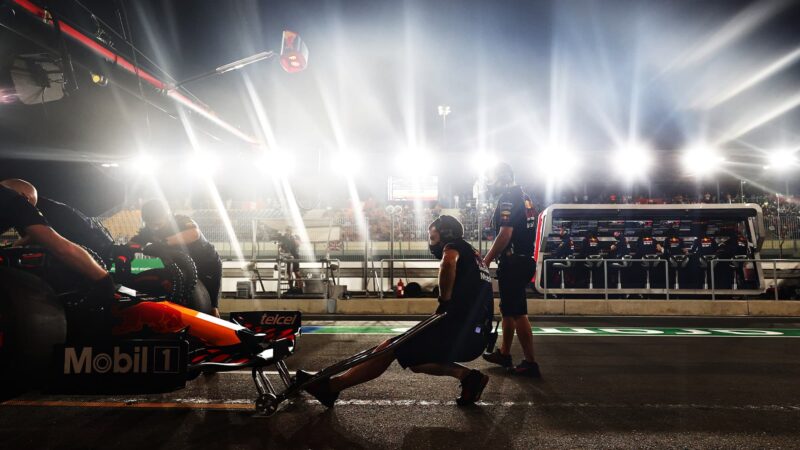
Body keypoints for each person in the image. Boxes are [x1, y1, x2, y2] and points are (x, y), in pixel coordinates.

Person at [296, 215, 494, 407]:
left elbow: (448, 262)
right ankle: (469, 378)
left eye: (433, 238)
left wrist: (444, 299)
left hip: (462, 332)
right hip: (475, 335)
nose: (430, 243)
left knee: (390, 348)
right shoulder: (474, 254)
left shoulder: (454, 248)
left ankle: (331, 387)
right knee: (414, 359)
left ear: (447, 236)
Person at [0, 179, 114, 302]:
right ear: (25, 198)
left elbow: (34, 236)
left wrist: (13, 245)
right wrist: (104, 280)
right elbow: (61, 248)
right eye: (31, 206)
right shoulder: (16, 201)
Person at [480, 162, 540, 377]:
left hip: (514, 262)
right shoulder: (525, 195)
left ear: (503, 178)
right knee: (508, 309)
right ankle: (504, 353)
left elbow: (505, 234)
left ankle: (530, 362)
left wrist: (486, 260)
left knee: (518, 313)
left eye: (491, 178)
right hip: (523, 260)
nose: (488, 183)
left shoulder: (508, 197)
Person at [130, 200, 222, 317]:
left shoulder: (181, 221)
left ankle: (215, 311)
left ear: (167, 217)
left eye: (159, 224)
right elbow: (132, 244)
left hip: (207, 264)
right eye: (152, 224)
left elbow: (194, 234)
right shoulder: (148, 230)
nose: (156, 228)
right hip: (181, 266)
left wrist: (162, 243)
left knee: (212, 309)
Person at [14, 195, 115, 266]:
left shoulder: (37, 208)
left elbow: (59, 246)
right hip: (92, 252)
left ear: (23, 196)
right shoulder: (46, 206)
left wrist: (15, 245)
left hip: (90, 256)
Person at [277, 227, 303, 292]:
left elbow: (299, 244)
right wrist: (283, 253)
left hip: (295, 256)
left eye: (289, 231)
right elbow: (280, 248)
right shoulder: (284, 239)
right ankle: (291, 287)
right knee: (289, 273)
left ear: (291, 231)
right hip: (288, 257)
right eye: (287, 231)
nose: (287, 232)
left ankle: (300, 288)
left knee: (297, 272)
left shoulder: (295, 237)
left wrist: (293, 238)